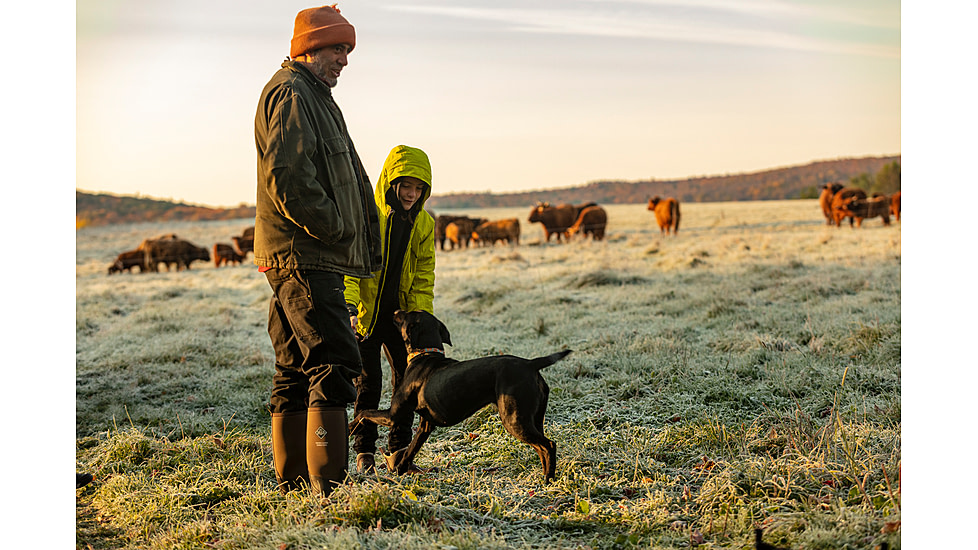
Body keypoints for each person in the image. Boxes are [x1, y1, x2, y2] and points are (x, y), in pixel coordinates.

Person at [254, 4, 382, 497]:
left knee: (293, 365)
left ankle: (293, 482)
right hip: (306, 255)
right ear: (308, 47)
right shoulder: (291, 93)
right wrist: (334, 230)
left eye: (347, 50)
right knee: (333, 360)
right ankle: (330, 487)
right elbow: (288, 176)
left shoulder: (315, 96)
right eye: (337, 48)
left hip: (300, 253)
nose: (345, 60)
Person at [345, 145, 436, 474]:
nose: (412, 194)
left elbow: (424, 275)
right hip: (367, 317)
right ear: (392, 184)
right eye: (406, 186)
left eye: (418, 188)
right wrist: (351, 307)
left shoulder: (425, 224)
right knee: (368, 384)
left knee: (407, 385)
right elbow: (352, 265)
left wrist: (420, 319)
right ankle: (364, 452)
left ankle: (399, 452)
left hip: (403, 322)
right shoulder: (369, 216)